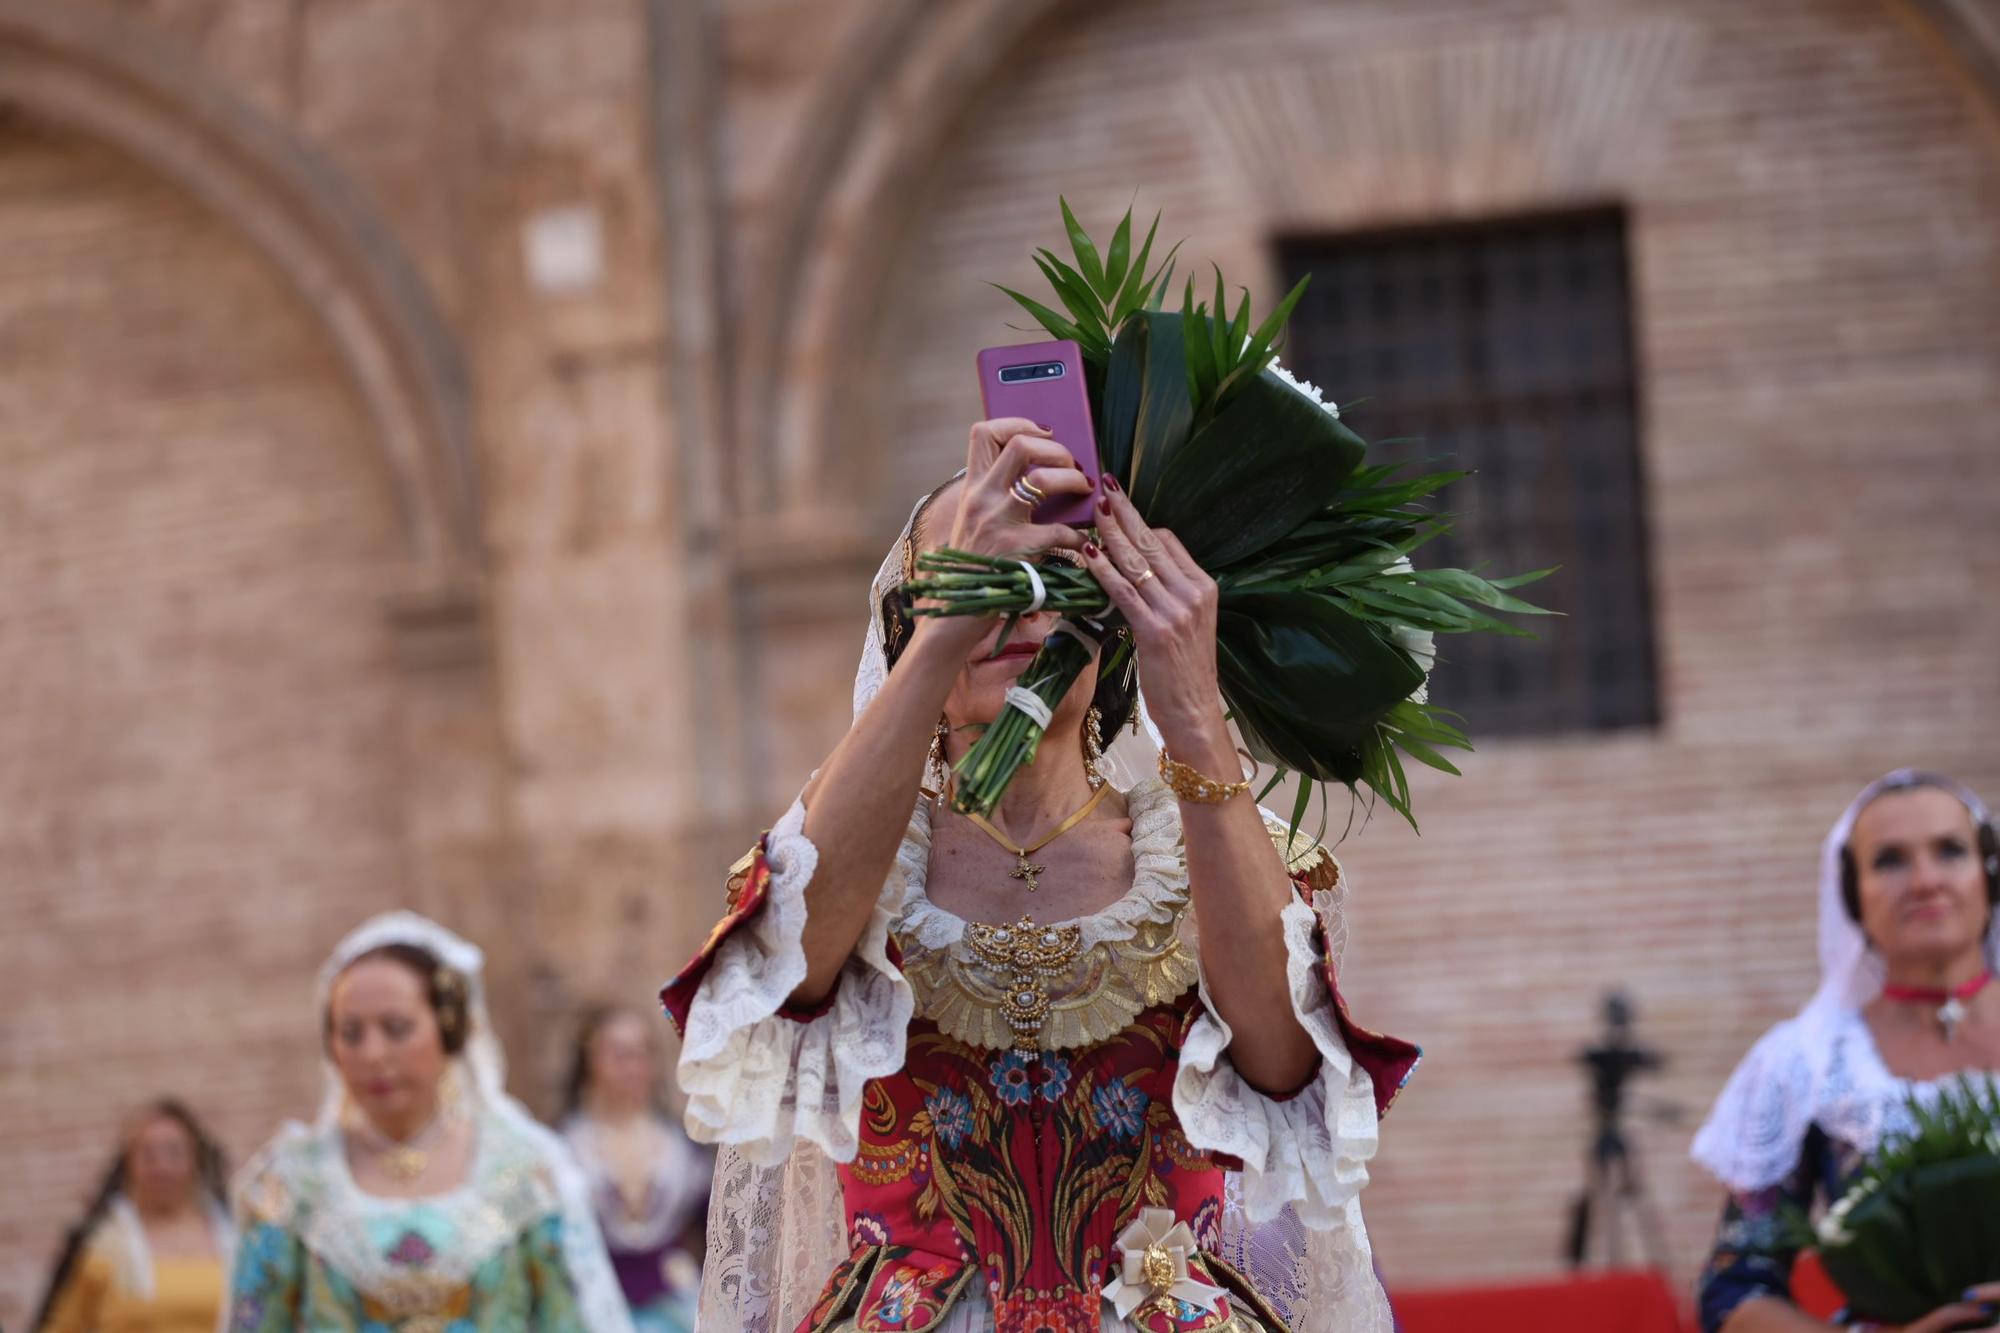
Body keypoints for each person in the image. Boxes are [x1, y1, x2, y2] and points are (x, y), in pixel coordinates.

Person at [661, 420, 1420, 1333]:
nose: (1013, 607)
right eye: (975, 573)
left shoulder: (1210, 845)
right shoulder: (855, 856)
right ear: (912, 631)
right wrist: (947, 630)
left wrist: (1193, 711)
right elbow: (780, 981)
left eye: (1047, 575)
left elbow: (1280, 1067)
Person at [224, 910, 635, 1331]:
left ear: (449, 1029)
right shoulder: (291, 1184)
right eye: (351, 1033)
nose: (373, 1054)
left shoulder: (526, 1172)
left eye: (396, 1028)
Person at [1692, 770, 2000, 1332]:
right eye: (1890, 860)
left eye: (1950, 851)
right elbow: (1736, 1286)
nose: (1926, 880)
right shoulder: (1805, 1062)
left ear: (1989, 874)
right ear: (1852, 895)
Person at [561, 1006, 711, 1332]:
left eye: (642, 1053)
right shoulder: (565, 1150)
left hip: (677, 1309)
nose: (633, 1066)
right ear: (590, 1061)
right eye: (619, 1054)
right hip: (591, 1310)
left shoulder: (683, 1147)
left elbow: (717, 1230)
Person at [31, 1099, 232, 1332]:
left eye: (173, 1152)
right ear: (129, 1163)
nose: (161, 1166)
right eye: (148, 1155)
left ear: (194, 1158)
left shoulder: (232, 1236)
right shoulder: (101, 1248)